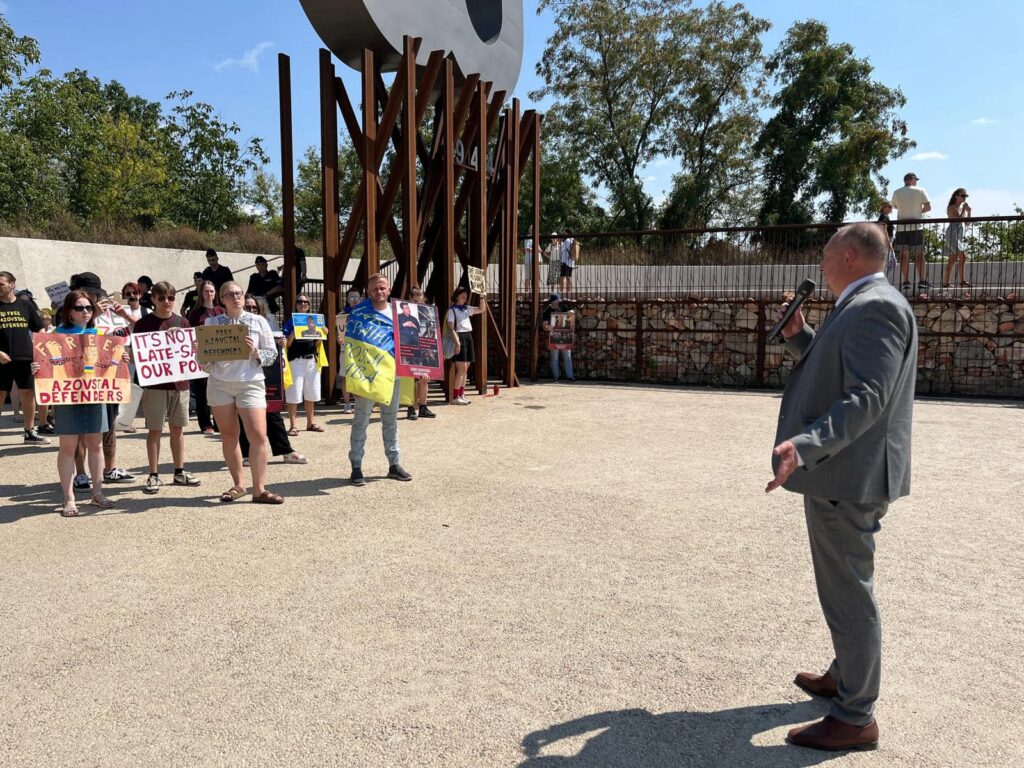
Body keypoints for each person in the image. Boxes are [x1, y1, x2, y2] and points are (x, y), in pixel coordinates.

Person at [766, 222, 917, 752]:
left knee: (849, 589)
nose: (821, 261)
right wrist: (800, 337)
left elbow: (868, 395)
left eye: (827, 252)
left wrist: (804, 445)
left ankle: (856, 715)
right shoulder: (864, 301)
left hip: (847, 475)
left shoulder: (876, 305)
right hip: (843, 471)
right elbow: (838, 371)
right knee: (841, 584)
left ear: (849, 255)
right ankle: (844, 673)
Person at [202, 281, 282, 504]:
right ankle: (238, 485)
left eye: (238, 293)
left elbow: (271, 354)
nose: (235, 297)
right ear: (222, 299)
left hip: (251, 382)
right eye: (229, 294)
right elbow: (204, 364)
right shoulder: (212, 322)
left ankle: (259, 489)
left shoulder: (258, 321)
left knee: (257, 435)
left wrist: (255, 352)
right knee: (228, 435)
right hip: (220, 383)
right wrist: (203, 355)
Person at [132, 282, 202, 495]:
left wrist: (194, 346)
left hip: (180, 384)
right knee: (154, 430)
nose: (167, 302)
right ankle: (153, 474)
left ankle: (179, 471)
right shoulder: (144, 324)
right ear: (153, 300)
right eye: (162, 298)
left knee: (178, 429)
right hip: (155, 385)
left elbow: (192, 353)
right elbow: (139, 354)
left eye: (171, 298)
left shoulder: (183, 322)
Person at [68, 271, 135, 491]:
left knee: (110, 423)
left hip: (108, 380)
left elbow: (130, 334)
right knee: (80, 429)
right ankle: (80, 474)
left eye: (95, 294)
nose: (92, 298)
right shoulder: (72, 313)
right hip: (79, 381)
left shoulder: (109, 313)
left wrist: (123, 315)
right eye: (88, 293)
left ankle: (110, 469)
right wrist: (93, 314)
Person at [50, 291, 116, 515]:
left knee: (95, 444)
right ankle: (69, 498)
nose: (86, 312)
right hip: (68, 396)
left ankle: (97, 493)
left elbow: (110, 363)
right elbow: (48, 365)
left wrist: (120, 359)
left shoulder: (99, 333)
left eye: (89, 308)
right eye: (80, 308)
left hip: (95, 395)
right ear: (69, 312)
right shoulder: (56, 335)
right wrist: (37, 368)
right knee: (68, 447)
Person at [346, 273, 412, 486]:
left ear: (389, 289)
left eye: (382, 288)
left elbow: (411, 342)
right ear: (369, 290)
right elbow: (351, 349)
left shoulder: (399, 313)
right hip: (368, 376)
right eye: (375, 289)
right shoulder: (358, 314)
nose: (379, 291)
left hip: (392, 374)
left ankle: (394, 464)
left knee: (391, 420)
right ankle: (356, 466)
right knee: (361, 420)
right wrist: (353, 380)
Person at [0, 270, 50, 444]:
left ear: (12, 284)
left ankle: (29, 432)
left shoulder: (26, 306)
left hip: (25, 358)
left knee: (28, 394)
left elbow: (39, 328)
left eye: (1, 284)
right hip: (1, 359)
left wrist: (40, 350)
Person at [281, 293, 325, 435]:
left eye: (305, 302)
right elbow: (286, 344)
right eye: (300, 302)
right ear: (296, 304)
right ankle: (293, 425)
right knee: (294, 394)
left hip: (312, 360)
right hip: (296, 361)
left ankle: (310, 423)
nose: (303, 304)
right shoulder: (289, 322)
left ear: (309, 305)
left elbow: (317, 343)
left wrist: (322, 334)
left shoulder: (314, 321)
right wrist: (293, 333)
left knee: (311, 393)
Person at [187, 280, 223, 434]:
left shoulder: (222, 311)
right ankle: (205, 423)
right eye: (206, 291)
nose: (209, 294)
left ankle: (219, 422)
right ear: (201, 294)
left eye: (212, 291)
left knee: (219, 390)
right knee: (202, 391)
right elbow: (190, 333)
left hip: (220, 355)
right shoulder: (194, 313)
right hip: (203, 355)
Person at [891, 172, 932, 293]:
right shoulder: (920, 190)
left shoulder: (897, 192)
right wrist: (919, 212)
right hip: (916, 226)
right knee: (920, 255)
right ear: (912, 179)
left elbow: (896, 206)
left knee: (904, 255)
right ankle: (922, 281)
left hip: (902, 227)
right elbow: (928, 207)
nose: (917, 182)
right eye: (916, 180)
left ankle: (906, 282)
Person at [445, 286, 485, 405]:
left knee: (466, 368)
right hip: (459, 336)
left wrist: (482, 296)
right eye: (462, 296)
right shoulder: (451, 310)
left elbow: (481, 309)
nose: (464, 298)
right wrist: (457, 343)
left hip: (468, 336)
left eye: (465, 296)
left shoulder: (466, 309)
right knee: (461, 369)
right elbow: (451, 328)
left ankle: (462, 394)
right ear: (456, 296)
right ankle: (455, 396)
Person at [406, 288, 436, 420]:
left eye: (419, 301)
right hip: (410, 347)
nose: (417, 303)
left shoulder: (428, 312)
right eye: (414, 301)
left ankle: (423, 407)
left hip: (424, 347)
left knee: (425, 379)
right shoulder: (403, 311)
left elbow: (432, 331)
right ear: (409, 299)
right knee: (412, 380)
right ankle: (411, 408)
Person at [336, 288, 361, 414]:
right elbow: (339, 333)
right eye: (352, 297)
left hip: (360, 350)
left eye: (357, 297)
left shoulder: (363, 314)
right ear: (347, 299)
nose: (355, 300)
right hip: (345, 350)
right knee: (345, 377)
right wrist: (339, 339)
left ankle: (358, 402)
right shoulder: (342, 315)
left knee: (359, 376)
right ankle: (347, 403)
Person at [542, 292, 576, 382]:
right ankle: (556, 376)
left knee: (567, 356)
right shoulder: (546, 312)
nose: (558, 303)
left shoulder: (563, 307)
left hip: (565, 336)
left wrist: (571, 312)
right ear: (552, 302)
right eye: (556, 301)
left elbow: (572, 313)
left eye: (558, 301)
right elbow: (544, 326)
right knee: (554, 357)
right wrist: (547, 328)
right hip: (554, 336)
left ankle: (570, 376)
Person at [942, 188, 972, 288]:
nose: (965, 198)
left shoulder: (961, 208)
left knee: (953, 258)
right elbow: (957, 220)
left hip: (958, 236)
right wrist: (963, 210)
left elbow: (967, 223)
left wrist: (969, 212)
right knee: (963, 256)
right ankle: (962, 281)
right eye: (963, 196)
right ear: (956, 196)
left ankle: (946, 283)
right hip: (952, 235)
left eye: (966, 196)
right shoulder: (951, 208)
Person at [875, 201, 896, 275]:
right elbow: (883, 229)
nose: (891, 209)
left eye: (891, 207)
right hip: (885, 241)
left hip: (884, 241)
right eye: (889, 207)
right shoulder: (884, 217)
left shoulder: (884, 216)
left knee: (886, 263)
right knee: (885, 263)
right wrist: (889, 243)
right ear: (883, 208)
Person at [559, 229, 579, 295]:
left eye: (565, 233)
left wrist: (561, 243)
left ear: (567, 233)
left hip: (565, 261)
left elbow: (562, 250)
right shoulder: (573, 240)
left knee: (562, 276)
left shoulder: (567, 240)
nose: (564, 234)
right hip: (571, 261)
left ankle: (562, 291)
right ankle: (569, 292)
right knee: (569, 276)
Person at [523, 225, 538, 292]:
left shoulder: (535, 238)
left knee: (534, 278)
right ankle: (526, 293)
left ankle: (533, 292)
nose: (532, 230)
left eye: (533, 229)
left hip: (534, 261)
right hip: (528, 260)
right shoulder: (528, 237)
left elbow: (539, 249)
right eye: (531, 229)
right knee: (527, 277)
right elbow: (527, 249)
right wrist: (535, 249)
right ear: (529, 230)